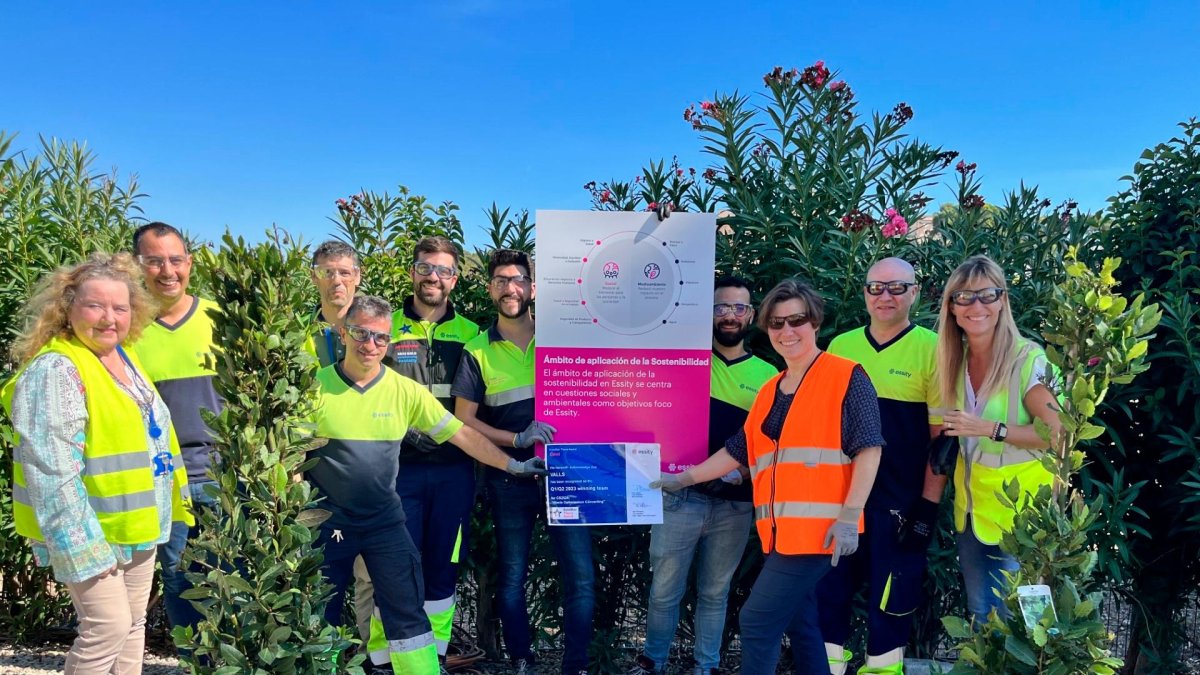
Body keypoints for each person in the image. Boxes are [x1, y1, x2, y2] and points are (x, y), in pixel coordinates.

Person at [652, 279, 883, 675]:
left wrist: (850, 516)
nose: (787, 331)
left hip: (820, 533)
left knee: (757, 623)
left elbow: (869, 447)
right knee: (801, 622)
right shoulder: (771, 388)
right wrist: (684, 479)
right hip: (781, 535)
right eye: (776, 323)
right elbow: (739, 449)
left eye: (797, 320)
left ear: (815, 322)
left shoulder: (846, 376)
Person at [308, 295, 544, 675]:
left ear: (389, 342)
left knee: (410, 617)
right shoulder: (314, 388)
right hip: (329, 521)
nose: (370, 345)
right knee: (318, 614)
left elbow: (461, 434)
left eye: (380, 338)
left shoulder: (404, 390)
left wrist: (513, 465)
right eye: (360, 334)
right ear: (343, 332)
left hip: (385, 522)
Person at [2, 252, 193, 674]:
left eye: (120, 307)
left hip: (136, 524)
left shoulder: (124, 357)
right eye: (95, 305)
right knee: (107, 627)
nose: (109, 318)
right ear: (67, 308)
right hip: (90, 531)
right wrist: (83, 549)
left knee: (133, 624)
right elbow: (51, 474)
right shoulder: (56, 370)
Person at [452, 249, 594, 675]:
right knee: (512, 578)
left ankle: (576, 665)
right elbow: (464, 420)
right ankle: (521, 659)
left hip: (569, 475)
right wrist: (517, 438)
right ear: (490, 287)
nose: (509, 288)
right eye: (500, 281)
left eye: (517, 280)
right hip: (509, 478)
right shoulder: (477, 350)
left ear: (532, 288)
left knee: (581, 577)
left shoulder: (561, 336)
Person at [629, 277, 777, 675]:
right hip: (679, 496)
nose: (729, 315)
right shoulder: (681, 360)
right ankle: (652, 662)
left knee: (716, 592)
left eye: (738, 308)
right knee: (664, 591)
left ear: (751, 315)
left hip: (734, 504)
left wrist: (744, 469)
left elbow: (772, 442)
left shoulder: (769, 375)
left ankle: (706, 666)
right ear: (706, 313)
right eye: (720, 307)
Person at [355, 236, 482, 671]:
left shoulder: (471, 334)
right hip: (398, 471)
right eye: (426, 268)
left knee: (443, 572)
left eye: (444, 270)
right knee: (391, 568)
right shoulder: (387, 329)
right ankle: (381, 659)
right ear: (412, 272)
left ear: (456, 279)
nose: (434, 277)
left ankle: (433, 658)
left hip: (454, 472)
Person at [817, 258, 941, 675]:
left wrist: (928, 506)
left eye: (896, 287)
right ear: (864, 292)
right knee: (828, 595)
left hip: (900, 505)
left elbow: (943, 441)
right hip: (839, 501)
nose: (885, 296)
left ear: (915, 292)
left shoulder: (935, 349)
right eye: (876, 288)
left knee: (891, 605)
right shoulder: (840, 347)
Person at [935, 255, 1060, 623]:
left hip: (1024, 523)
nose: (977, 306)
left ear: (1003, 301)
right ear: (952, 308)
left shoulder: (1028, 359)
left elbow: (1057, 435)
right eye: (965, 297)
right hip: (972, 516)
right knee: (982, 617)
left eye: (987, 295)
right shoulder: (953, 361)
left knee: (1033, 626)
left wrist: (989, 429)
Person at [129, 222, 223, 636]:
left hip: (227, 475)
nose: (167, 270)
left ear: (190, 263)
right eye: (154, 261)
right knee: (180, 580)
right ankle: (193, 663)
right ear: (138, 266)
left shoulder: (222, 319)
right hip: (165, 478)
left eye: (175, 259)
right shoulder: (126, 329)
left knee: (236, 578)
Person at [305, 239, 361, 367]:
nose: (336, 281)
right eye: (326, 272)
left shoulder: (376, 329)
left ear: (357, 276)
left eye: (345, 273)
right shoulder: (297, 330)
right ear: (313, 277)